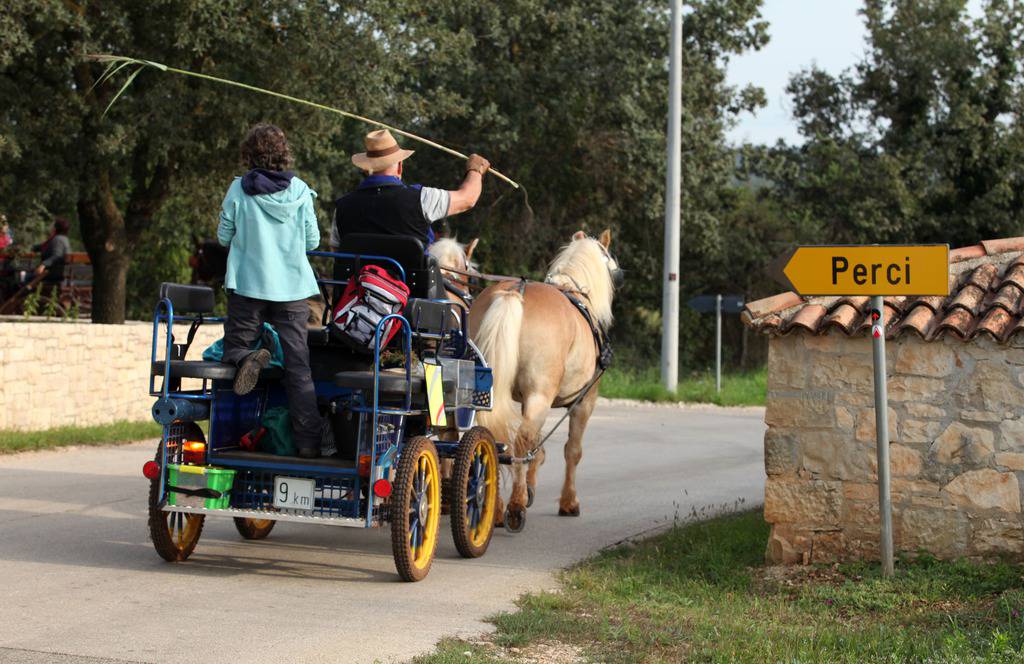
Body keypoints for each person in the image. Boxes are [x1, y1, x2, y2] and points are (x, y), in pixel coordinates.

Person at [217, 123, 323, 459]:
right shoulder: (302, 191)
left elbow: (223, 236)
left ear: (248, 155)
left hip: (248, 286)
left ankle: (249, 358)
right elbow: (313, 241)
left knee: (234, 347)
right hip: (292, 288)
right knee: (298, 367)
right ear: (283, 155)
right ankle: (308, 442)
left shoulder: (238, 189)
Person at [329, 129, 490, 250]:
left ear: (366, 168)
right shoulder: (422, 198)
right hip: (411, 292)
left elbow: (337, 250)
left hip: (356, 288)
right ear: (400, 166)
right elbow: (468, 199)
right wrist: (476, 170)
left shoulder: (342, 206)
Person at [33, 218, 71, 294]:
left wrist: (43, 265)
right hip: (55, 273)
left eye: (53, 226)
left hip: (49, 275)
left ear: (56, 228)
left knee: (24, 279)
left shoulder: (57, 240)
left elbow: (57, 255)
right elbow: (41, 247)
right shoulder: (62, 239)